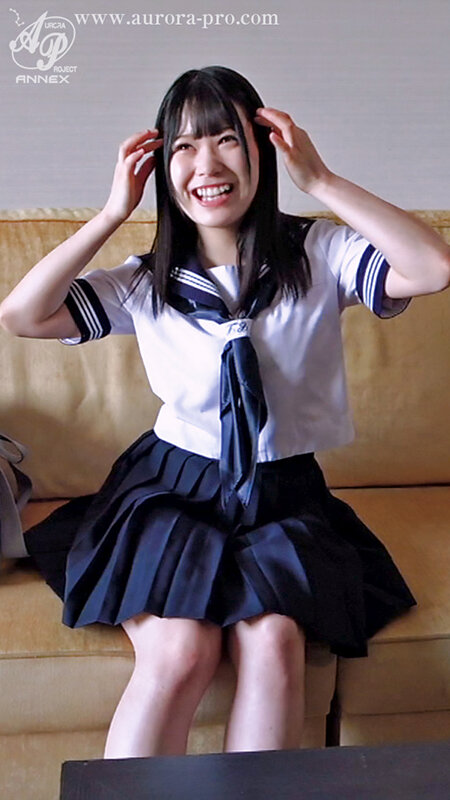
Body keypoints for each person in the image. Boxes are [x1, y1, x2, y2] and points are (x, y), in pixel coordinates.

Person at [1, 66, 449, 759]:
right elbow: (22, 315)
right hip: (171, 490)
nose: (206, 164)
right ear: (163, 167)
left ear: (263, 151)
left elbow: (432, 268)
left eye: (227, 139)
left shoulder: (319, 254)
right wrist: (113, 212)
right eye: (184, 146)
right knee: (181, 648)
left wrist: (322, 180)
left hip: (282, 495)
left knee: (275, 643)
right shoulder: (145, 280)